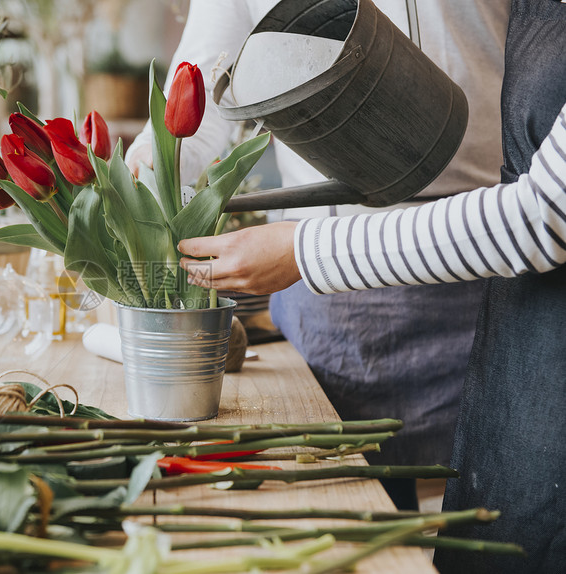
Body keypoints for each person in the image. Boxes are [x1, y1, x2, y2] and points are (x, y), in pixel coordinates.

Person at [178, 1, 566, 571]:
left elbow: (544, 217)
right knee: (369, 520)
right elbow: (201, 96)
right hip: (344, 288)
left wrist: (299, 250)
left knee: (492, 510)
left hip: (495, 259)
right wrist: (146, 176)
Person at [125, 0, 510, 510]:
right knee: (357, 508)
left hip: (491, 246)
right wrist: (149, 171)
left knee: (496, 503)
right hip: (328, 280)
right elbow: (205, 75)